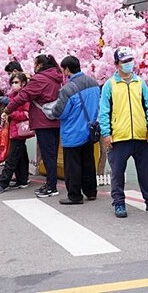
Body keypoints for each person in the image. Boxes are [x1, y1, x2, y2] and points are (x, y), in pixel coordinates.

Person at [99, 48, 148, 217]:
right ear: (116, 64)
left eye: (130, 61)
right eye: (124, 62)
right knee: (117, 173)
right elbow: (104, 111)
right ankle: (119, 202)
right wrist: (106, 133)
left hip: (141, 137)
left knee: (146, 172)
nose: (128, 64)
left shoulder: (139, 83)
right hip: (119, 137)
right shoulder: (110, 85)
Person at [5, 54, 65, 198]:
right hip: (55, 119)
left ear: (39, 65)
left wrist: (8, 109)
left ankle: (51, 186)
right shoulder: (57, 77)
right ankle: (51, 184)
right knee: (52, 154)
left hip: (43, 121)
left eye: (35, 64)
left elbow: (23, 96)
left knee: (47, 155)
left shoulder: (39, 79)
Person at [50, 55, 101, 206]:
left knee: (72, 166)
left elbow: (60, 112)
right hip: (89, 130)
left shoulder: (68, 89)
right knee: (88, 162)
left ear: (66, 69)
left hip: (72, 132)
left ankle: (74, 195)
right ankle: (91, 192)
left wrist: (52, 110)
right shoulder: (93, 83)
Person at [0, 72, 32, 194]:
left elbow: (26, 114)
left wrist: (10, 113)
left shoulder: (25, 97)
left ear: (23, 83)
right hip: (13, 129)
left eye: (16, 82)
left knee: (12, 156)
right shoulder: (13, 96)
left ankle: (4, 182)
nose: (14, 85)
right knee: (20, 155)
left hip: (19, 129)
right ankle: (22, 179)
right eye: (12, 82)